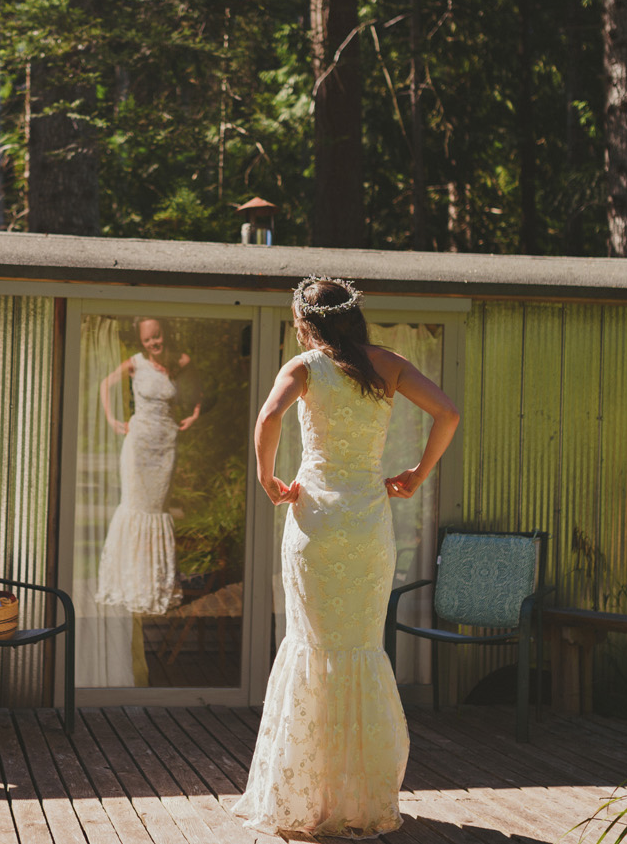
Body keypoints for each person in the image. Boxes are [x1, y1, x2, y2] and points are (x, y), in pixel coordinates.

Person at [233, 277, 461, 838]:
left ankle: (304, 798)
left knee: (312, 647)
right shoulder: (389, 364)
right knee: (360, 647)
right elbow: (448, 413)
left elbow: (267, 421)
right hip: (366, 525)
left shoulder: (305, 366)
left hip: (314, 522)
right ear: (354, 316)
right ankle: (358, 798)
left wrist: (268, 480)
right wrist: (416, 474)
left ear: (306, 320)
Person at [95, 317, 201, 615]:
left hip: (166, 445)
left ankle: (155, 586)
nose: (154, 343)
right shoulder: (135, 363)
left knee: (156, 511)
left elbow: (199, 389)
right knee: (134, 507)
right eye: (148, 340)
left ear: (164, 333)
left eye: (157, 336)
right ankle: (131, 584)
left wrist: (194, 414)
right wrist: (111, 419)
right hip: (138, 445)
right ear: (141, 343)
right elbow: (105, 384)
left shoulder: (181, 361)